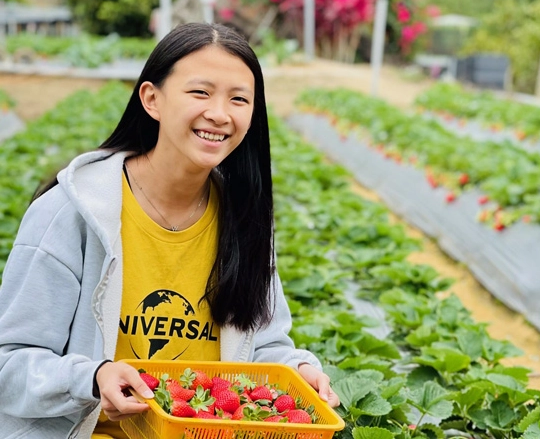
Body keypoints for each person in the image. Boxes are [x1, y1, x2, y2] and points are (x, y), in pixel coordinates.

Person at [0, 23, 340, 439]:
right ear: (152, 98)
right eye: (200, 92)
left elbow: (263, 346)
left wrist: (299, 371)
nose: (219, 113)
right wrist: (92, 377)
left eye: (239, 99)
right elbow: (9, 364)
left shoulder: (244, 219)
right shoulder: (72, 213)